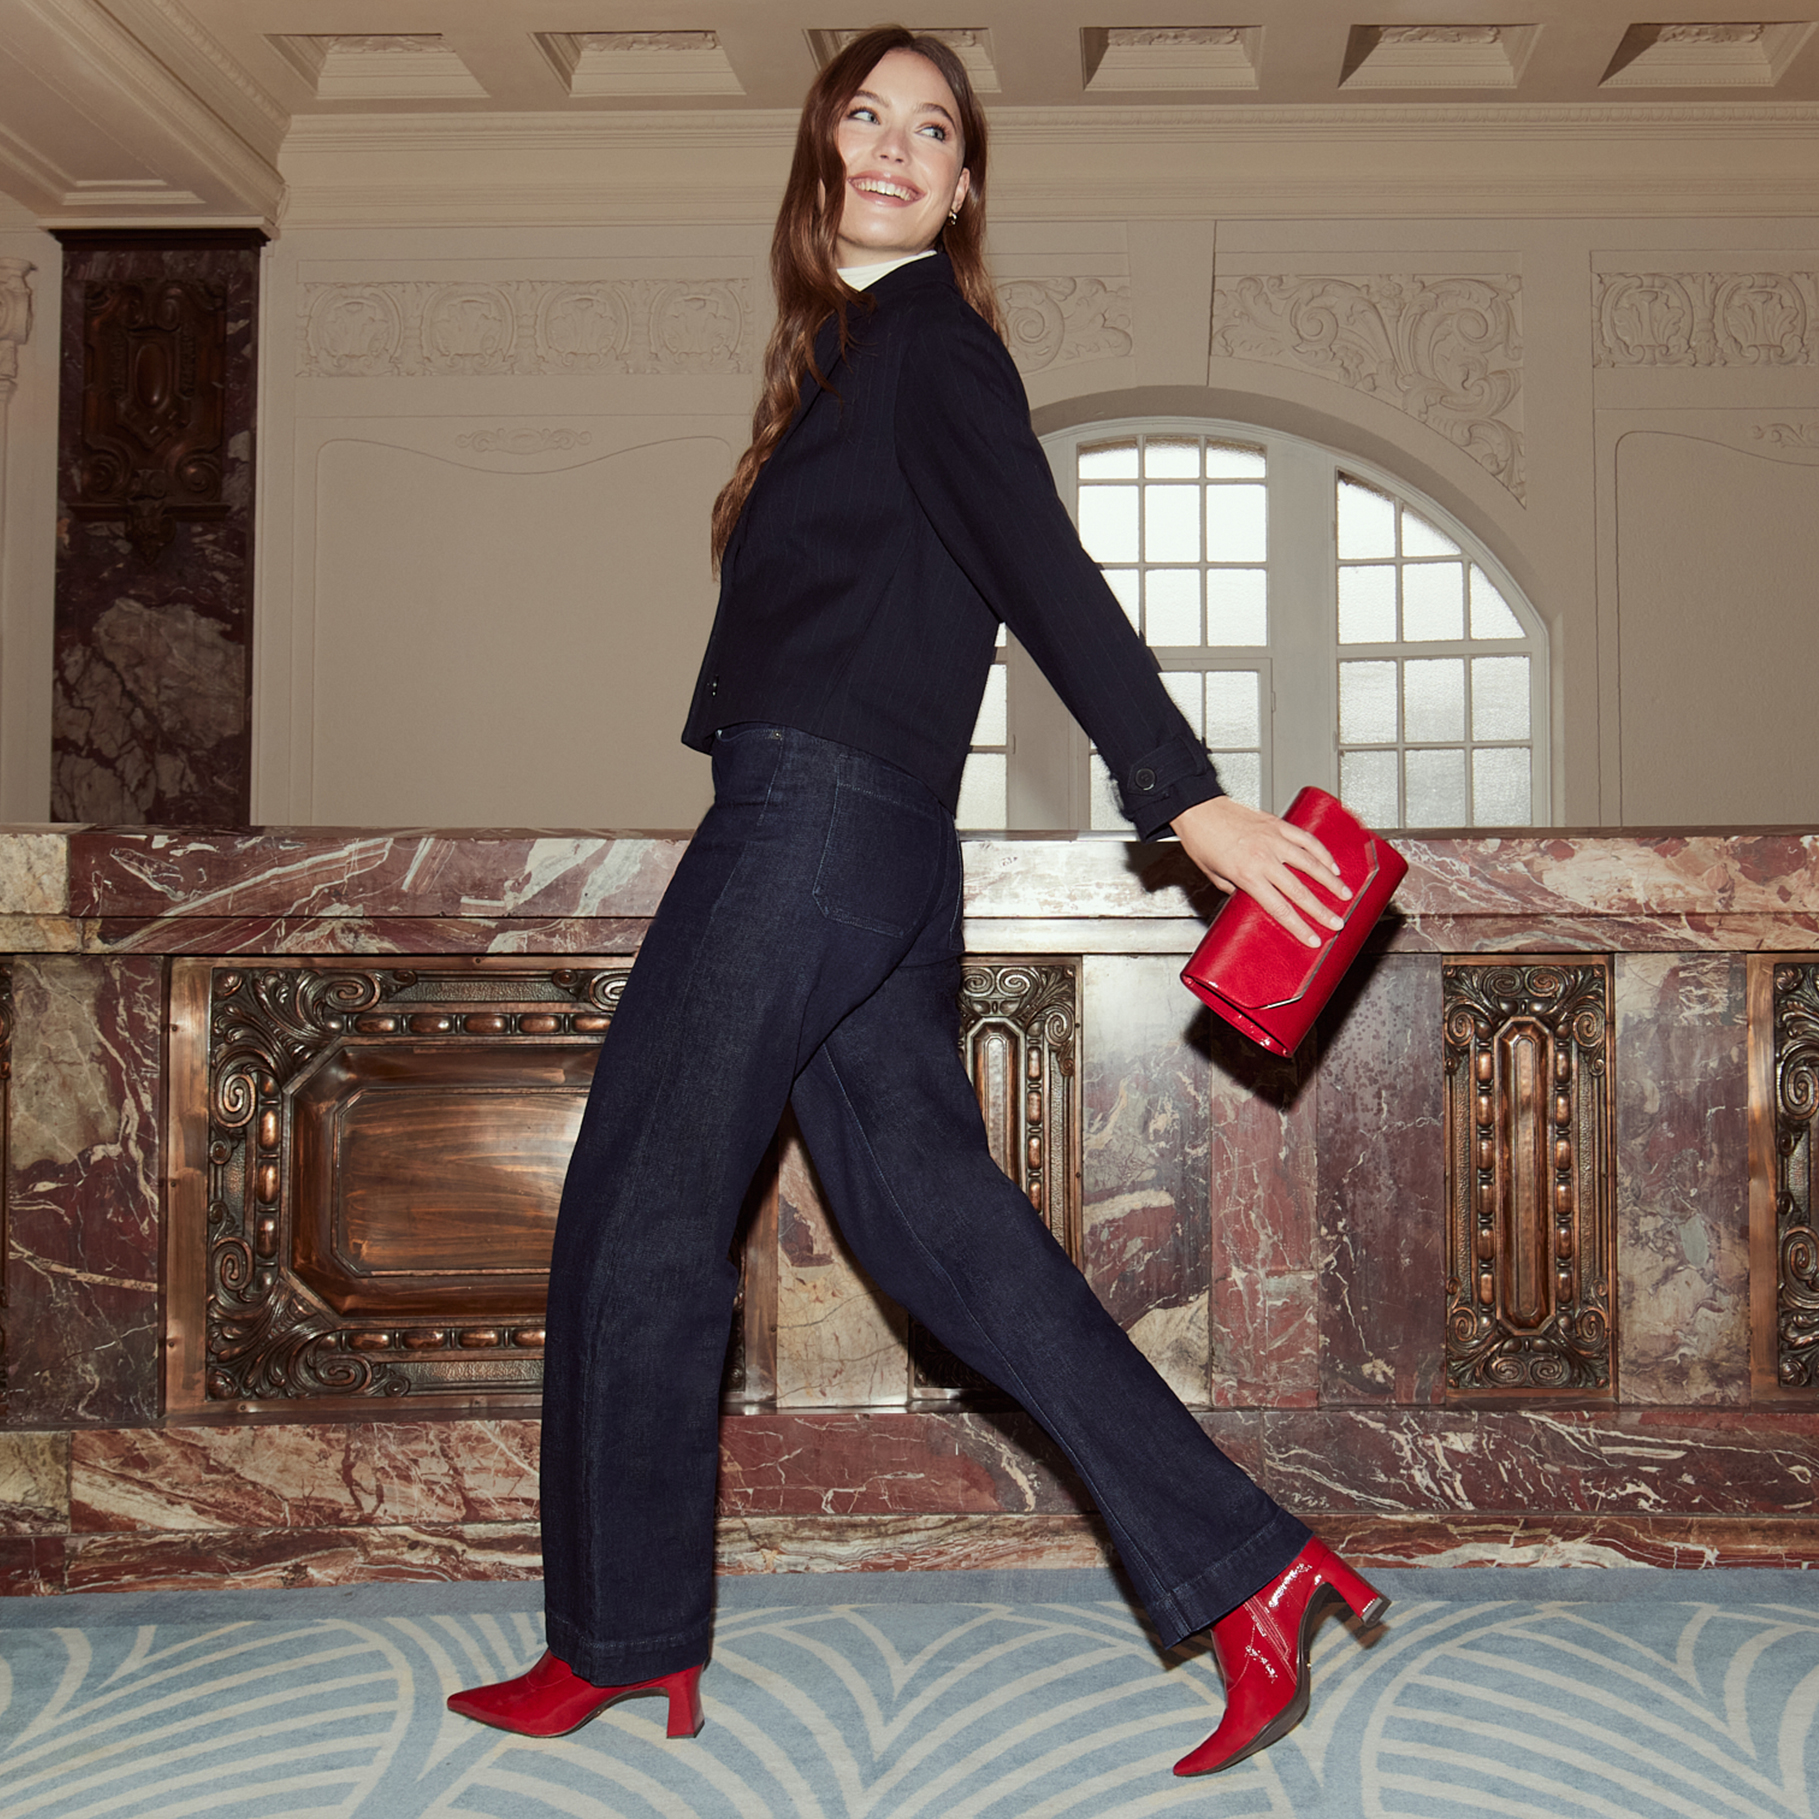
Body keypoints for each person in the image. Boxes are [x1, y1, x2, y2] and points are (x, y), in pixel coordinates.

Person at [448, 24, 1387, 1779]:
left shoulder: (933, 356)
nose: (890, 146)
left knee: (638, 1205)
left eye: (929, 129)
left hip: (812, 828)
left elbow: (1049, 572)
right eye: (861, 118)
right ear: (822, 165)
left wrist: (1183, 798)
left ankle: (617, 1639)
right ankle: (1255, 1568)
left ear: (961, 187)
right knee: (941, 1235)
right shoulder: (854, 361)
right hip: (865, 844)